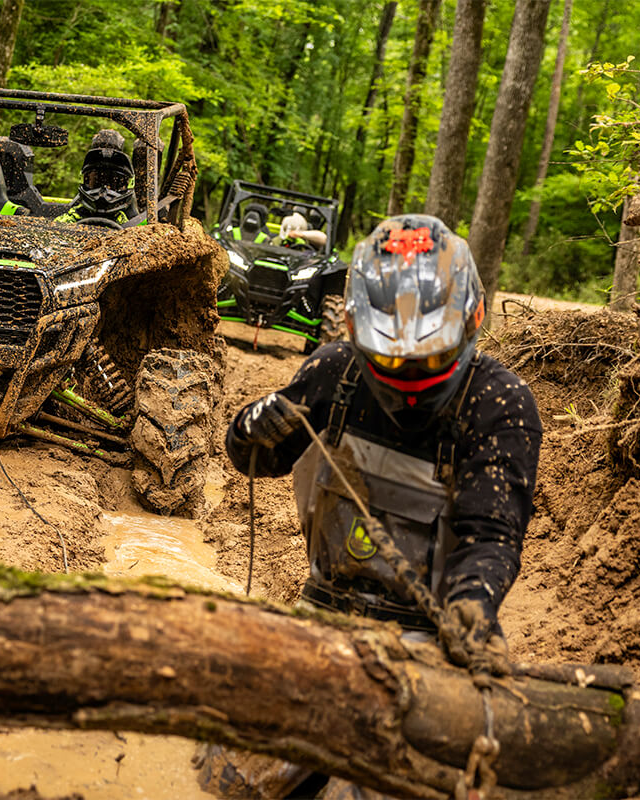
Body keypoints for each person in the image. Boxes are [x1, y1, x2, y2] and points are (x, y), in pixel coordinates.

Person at [219, 214, 542, 798]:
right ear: (356, 328)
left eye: (425, 360)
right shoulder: (332, 372)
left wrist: (471, 605)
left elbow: (490, 534)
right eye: (390, 360)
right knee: (232, 772)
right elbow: (254, 460)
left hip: (431, 639)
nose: (408, 377)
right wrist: (250, 429)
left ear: (472, 321)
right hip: (322, 616)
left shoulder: (499, 403)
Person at [56, 129, 138, 226]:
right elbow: (52, 232)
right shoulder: (69, 219)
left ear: (127, 186)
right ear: (84, 180)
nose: (103, 192)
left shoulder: (131, 226)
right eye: (96, 182)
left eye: (113, 183)